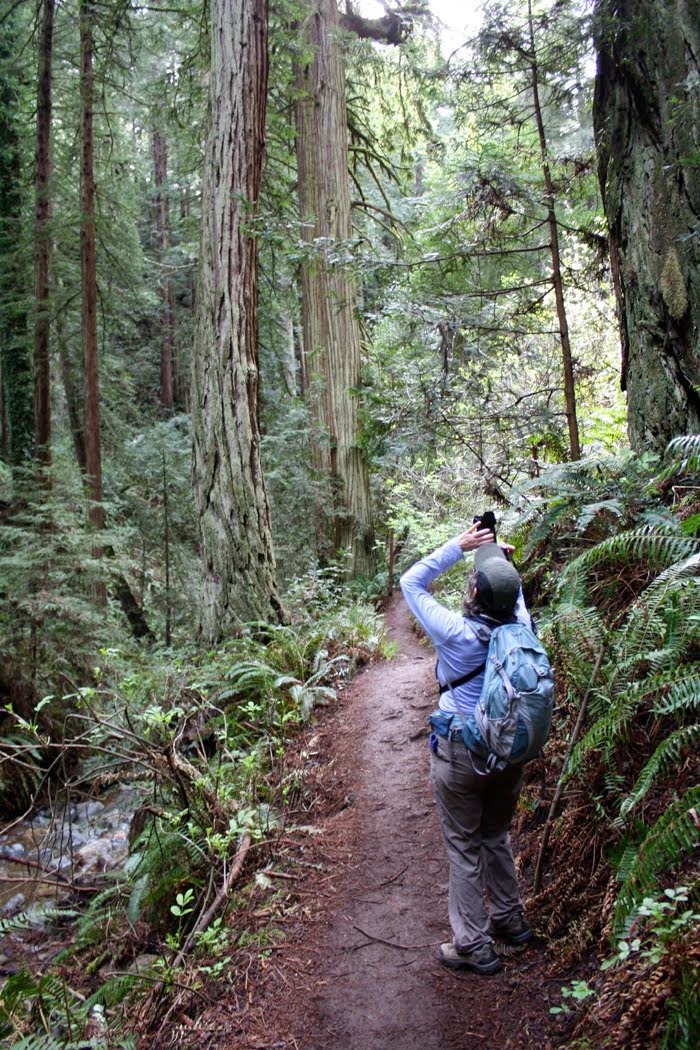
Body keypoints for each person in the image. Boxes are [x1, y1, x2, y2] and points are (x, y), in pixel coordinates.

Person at [399, 521, 535, 976]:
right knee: (495, 834)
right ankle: (510, 921)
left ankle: (473, 945)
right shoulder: (522, 626)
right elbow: (511, 595)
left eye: (474, 582)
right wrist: (502, 564)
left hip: (460, 750)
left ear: (474, 597)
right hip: (508, 751)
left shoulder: (455, 633)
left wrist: (459, 547)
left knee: (463, 845)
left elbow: (411, 581)